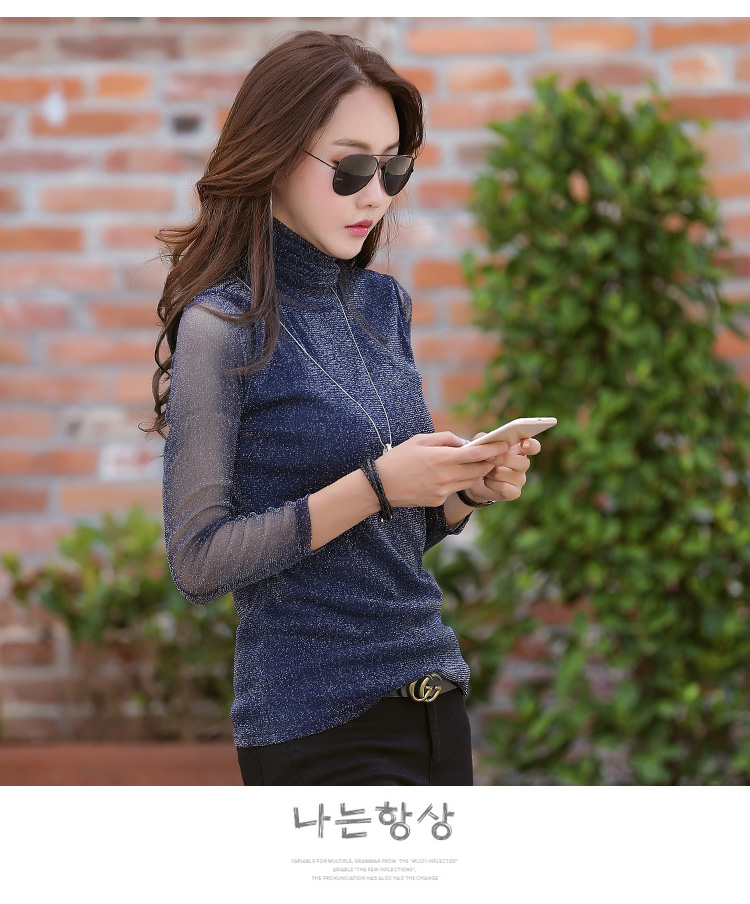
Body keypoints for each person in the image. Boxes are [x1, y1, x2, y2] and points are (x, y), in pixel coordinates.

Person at [144, 30, 541, 786]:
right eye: (352, 166)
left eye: (394, 168)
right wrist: (378, 485)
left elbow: (390, 538)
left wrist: (463, 490)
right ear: (274, 154)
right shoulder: (223, 325)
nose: (376, 194)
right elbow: (197, 562)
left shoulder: (384, 304)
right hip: (316, 723)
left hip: (435, 701)